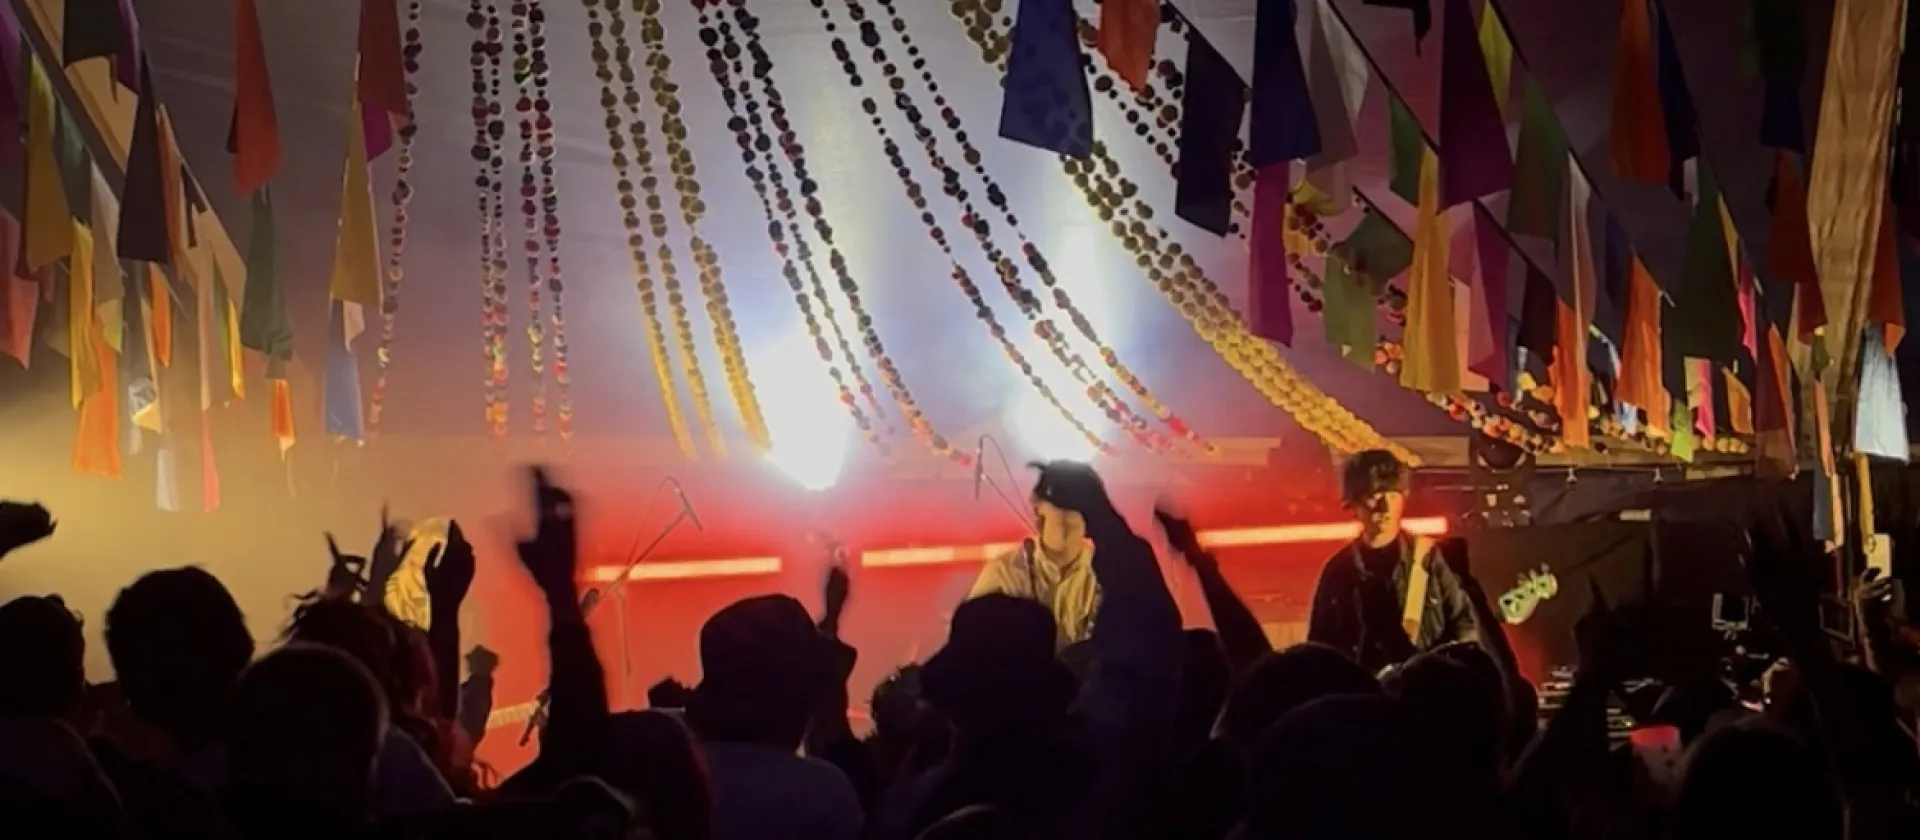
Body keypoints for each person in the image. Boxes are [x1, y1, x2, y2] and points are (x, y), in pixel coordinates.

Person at [1307, 450, 1482, 674]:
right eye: (1375, 496)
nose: (1385, 508)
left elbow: (1464, 626)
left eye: (1393, 496)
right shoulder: (1338, 573)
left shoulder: (1427, 559)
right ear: (1354, 502)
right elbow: (1320, 651)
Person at [966, 481, 1099, 649]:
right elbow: (969, 641)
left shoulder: (1107, 575)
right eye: (1061, 503)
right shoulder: (1003, 572)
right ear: (1038, 509)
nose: (1069, 515)